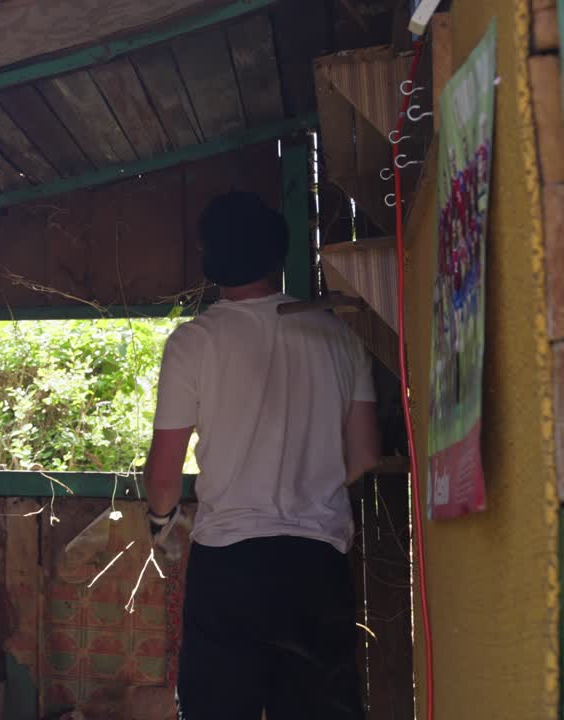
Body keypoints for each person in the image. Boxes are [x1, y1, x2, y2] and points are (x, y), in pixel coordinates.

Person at [144, 191, 380, 720]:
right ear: (279, 256)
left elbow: (164, 475)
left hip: (229, 564)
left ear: (209, 260)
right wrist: (308, 481)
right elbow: (364, 454)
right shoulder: (339, 337)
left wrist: (161, 522)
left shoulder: (193, 343)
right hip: (317, 563)